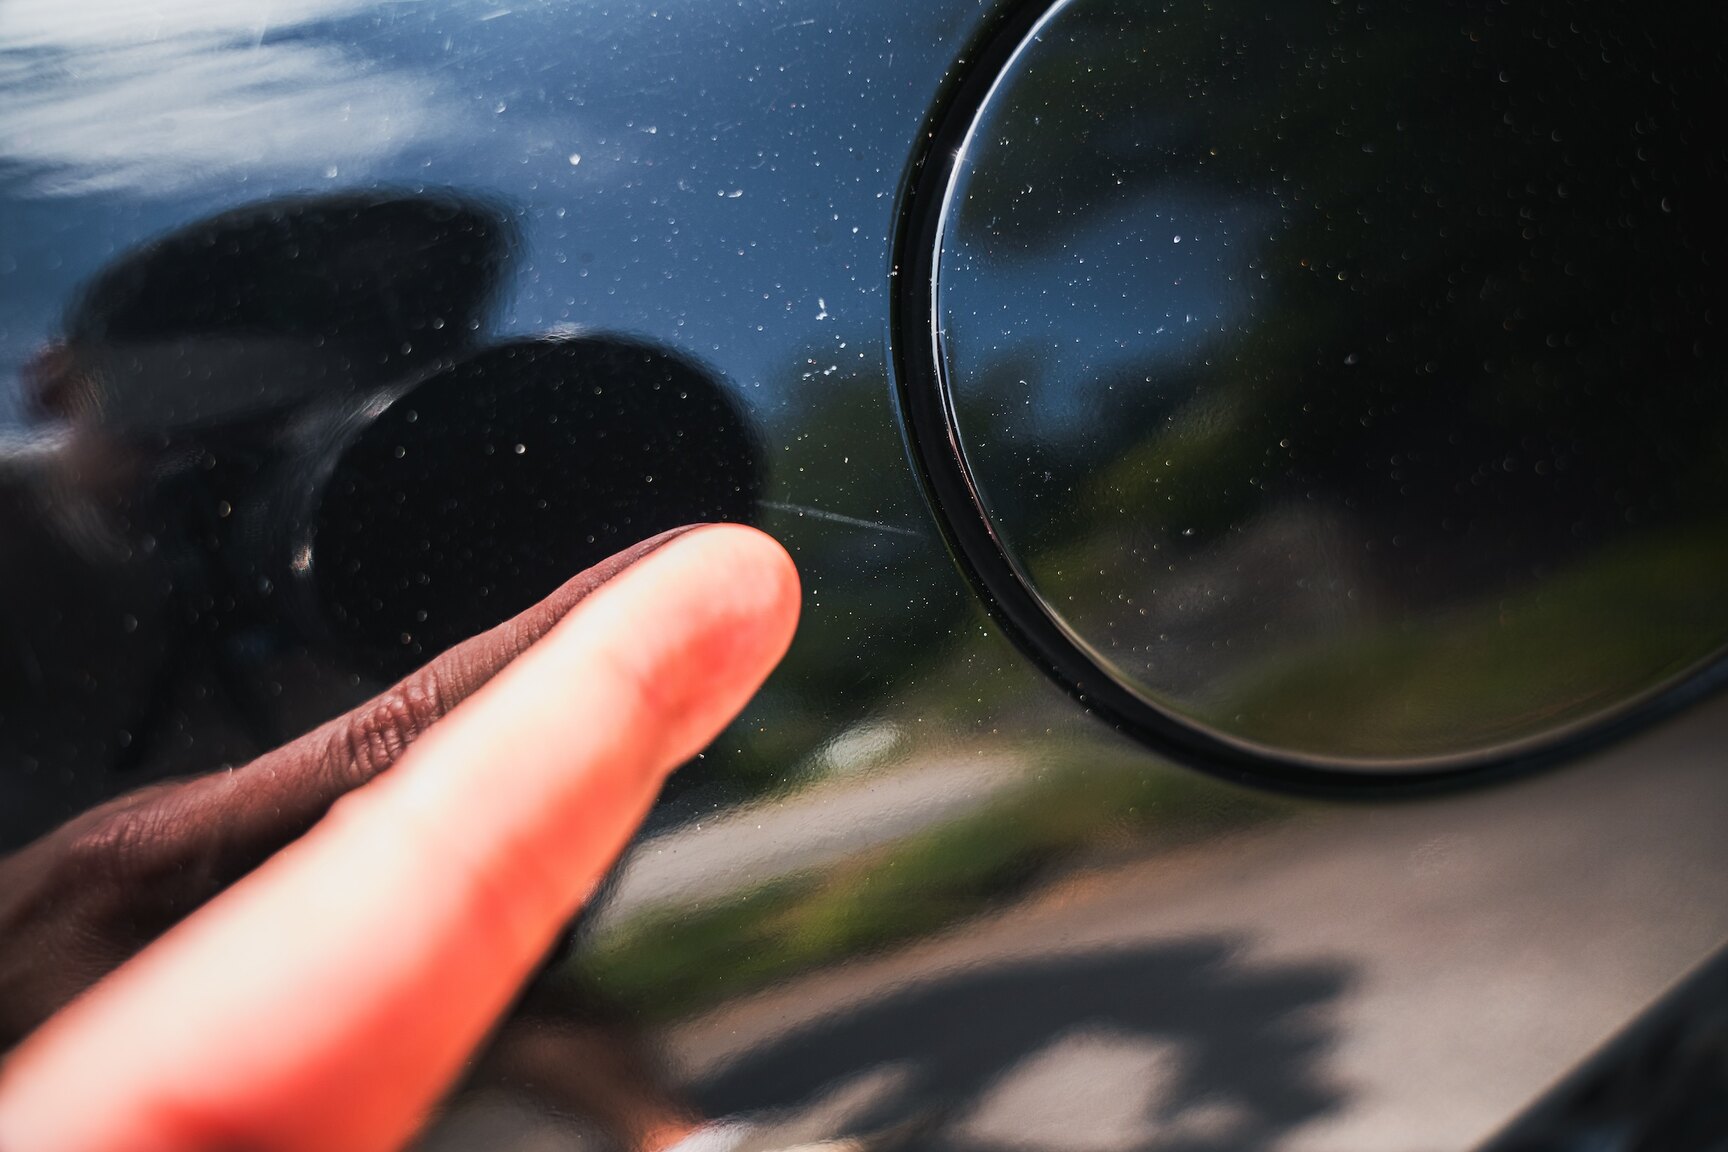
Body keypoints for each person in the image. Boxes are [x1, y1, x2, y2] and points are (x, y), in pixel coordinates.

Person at [0, 523, 802, 1152]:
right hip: (138, 865)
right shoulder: (30, 527)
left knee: (499, 969)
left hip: (313, 781)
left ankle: (679, 1138)